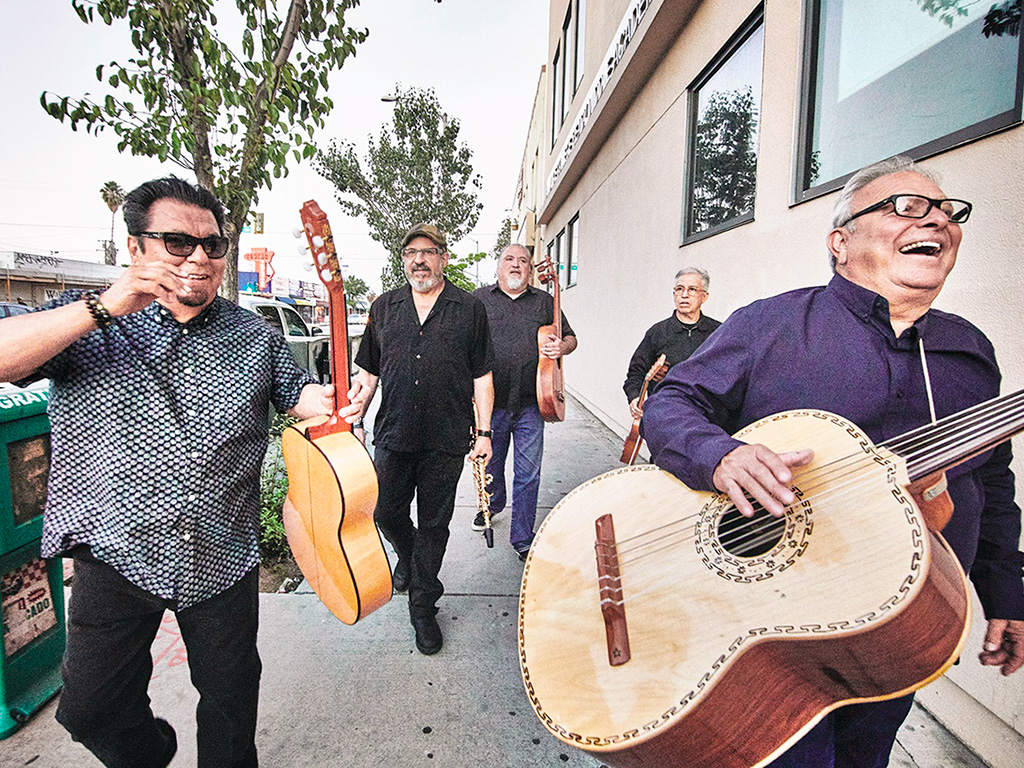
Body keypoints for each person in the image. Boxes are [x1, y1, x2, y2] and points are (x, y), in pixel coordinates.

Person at [642, 156, 1024, 767]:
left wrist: (1006, 591)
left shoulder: (970, 352)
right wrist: (721, 456)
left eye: (947, 211)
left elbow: (992, 480)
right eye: (906, 205)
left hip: (905, 628)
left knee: (864, 757)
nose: (937, 219)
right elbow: (672, 402)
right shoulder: (770, 324)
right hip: (777, 630)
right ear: (840, 242)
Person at [0, 177, 335, 768]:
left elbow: (297, 392)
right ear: (136, 249)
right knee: (90, 710)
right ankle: (153, 752)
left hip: (221, 553)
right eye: (178, 242)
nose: (200, 257)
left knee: (231, 711)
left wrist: (331, 400)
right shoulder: (86, 324)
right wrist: (102, 307)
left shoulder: (255, 335)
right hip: (114, 552)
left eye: (213, 244)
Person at [341, 223, 494, 655]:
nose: (419, 260)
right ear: (402, 259)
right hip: (393, 431)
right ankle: (407, 557)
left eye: (428, 252)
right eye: (411, 252)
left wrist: (484, 433)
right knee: (385, 511)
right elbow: (368, 374)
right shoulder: (384, 307)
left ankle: (423, 606)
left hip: (445, 438)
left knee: (434, 525)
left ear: (443, 258)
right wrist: (356, 411)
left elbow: (482, 375)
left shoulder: (468, 309)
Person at [473, 244, 577, 560]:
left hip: (533, 403)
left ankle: (522, 537)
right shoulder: (479, 300)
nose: (516, 265)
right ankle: (494, 501)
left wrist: (562, 347)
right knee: (492, 465)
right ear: (498, 267)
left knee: (528, 473)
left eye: (523, 261)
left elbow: (571, 337)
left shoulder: (545, 302)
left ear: (530, 270)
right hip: (492, 404)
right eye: (509, 259)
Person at [623, 267, 720, 419]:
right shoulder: (657, 332)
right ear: (674, 294)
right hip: (666, 416)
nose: (684, 295)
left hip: (707, 418)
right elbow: (636, 374)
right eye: (679, 289)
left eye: (692, 289)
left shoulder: (718, 332)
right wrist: (635, 398)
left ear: (704, 296)